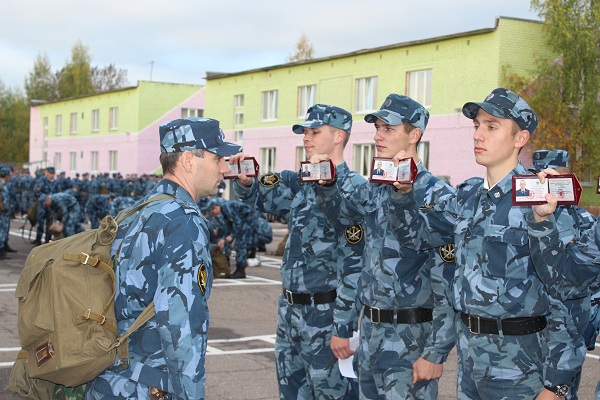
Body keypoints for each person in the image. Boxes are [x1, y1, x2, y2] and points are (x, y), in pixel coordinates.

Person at [390, 88, 586, 399]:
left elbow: (570, 296)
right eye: (476, 126)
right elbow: (417, 240)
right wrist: (401, 194)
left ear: (520, 138)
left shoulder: (540, 200)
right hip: (471, 365)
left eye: (491, 126)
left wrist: (556, 386)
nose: (478, 135)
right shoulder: (469, 197)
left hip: (521, 368)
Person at [85, 117, 241, 399]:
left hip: (112, 379)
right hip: (149, 386)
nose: (226, 168)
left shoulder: (138, 210)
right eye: (218, 158)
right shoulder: (182, 221)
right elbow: (180, 323)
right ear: (189, 160)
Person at [313, 94, 455, 399]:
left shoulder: (437, 194)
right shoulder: (376, 187)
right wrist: (326, 186)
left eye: (388, 129)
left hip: (412, 338)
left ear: (414, 135)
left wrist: (436, 351)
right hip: (372, 333)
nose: (377, 136)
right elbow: (341, 217)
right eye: (377, 127)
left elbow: (449, 280)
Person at [231, 104, 364, 399]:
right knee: (291, 391)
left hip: (326, 314)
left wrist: (344, 326)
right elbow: (259, 197)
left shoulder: (355, 189)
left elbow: (355, 264)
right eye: (305, 132)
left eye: (315, 132)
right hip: (290, 311)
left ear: (339, 136)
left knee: (332, 393)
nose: (306, 137)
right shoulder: (299, 182)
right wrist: (245, 182)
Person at [207, 197, 257, 279]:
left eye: (213, 211)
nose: (214, 214)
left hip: (248, 220)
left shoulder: (226, 207)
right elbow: (228, 227)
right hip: (244, 220)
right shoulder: (224, 211)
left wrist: (232, 236)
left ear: (216, 207)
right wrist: (224, 239)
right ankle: (232, 267)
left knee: (240, 245)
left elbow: (238, 222)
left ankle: (240, 270)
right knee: (234, 243)